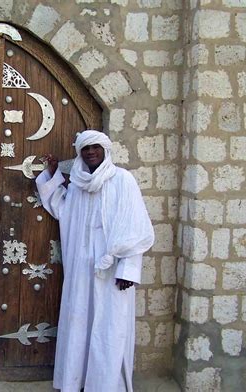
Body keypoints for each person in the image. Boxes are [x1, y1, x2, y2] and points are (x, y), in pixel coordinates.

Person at [36, 130, 154, 392]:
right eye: (85, 148)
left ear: (105, 150)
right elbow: (62, 210)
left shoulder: (122, 180)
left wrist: (128, 268)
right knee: (79, 324)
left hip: (112, 270)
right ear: (79, 153)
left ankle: (106, 386)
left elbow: (135, 228)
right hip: (81, 269)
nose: (90, 152)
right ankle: (76, 382)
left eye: (95, 147)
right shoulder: (77, 185)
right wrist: (53, 174)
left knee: (109, 327)